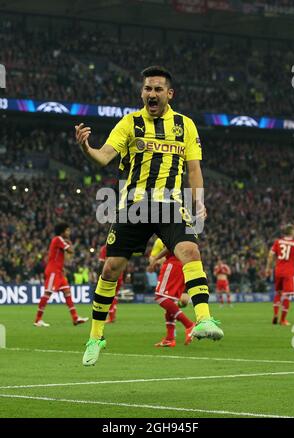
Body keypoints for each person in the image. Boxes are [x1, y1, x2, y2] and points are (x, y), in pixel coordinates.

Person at [75, 65, 224, 366]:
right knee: (110, 269)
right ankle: (95, 337)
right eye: (147, 88)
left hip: (170, 203)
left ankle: (205, 319)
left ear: (169, 94)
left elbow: (194, 169)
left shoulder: (185, 126)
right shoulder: (130, 123)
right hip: (134, 206)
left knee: (190, 250)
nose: (151, 94)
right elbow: (104, 156)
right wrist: (85, 148)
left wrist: (198, 202)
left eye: (158, 89)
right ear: (142, 92)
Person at [34, 223, 89, 327]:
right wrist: (70, 243)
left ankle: (75, 318)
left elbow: (61, 257)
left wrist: (62, 268)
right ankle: (38, 320)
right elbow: (70, 250)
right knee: (48, 293)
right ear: (62, 232)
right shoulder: (58, 239)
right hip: (53, 271)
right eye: (67, 230)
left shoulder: (59, 241)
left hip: (59, 271)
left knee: (67, 292)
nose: (69, 232)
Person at [149, 237, 194, 347]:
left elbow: (171, 246)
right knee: (170, 303)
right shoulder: (184, 228)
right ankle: (169, 338)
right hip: (182, 264)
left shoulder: (173, 227)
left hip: (173, 263)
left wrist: (156, 259)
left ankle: (189, 325)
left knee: (160, 297)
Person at [265, 224, 294, 326]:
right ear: (292, 232)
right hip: (289, 272)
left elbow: (271, 255)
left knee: (278, 293)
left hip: (278, 271)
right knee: (287, 296)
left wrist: (268, 268)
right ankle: (283, 320)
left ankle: (275, 314)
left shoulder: (278, 242)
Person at [99, 244, 123, 323]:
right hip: (119, 274)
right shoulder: (119, 247)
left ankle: (111, 317)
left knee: (108, 295)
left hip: (110, 275)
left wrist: (100, 275)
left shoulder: (105, 248)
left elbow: (101, 263)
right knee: (114, 296)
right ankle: (112, 316)